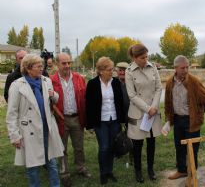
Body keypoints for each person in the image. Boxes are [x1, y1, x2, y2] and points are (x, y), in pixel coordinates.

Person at [164, 55, 205, 180]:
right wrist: (168, 120)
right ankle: (182, 170)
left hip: (192, 120)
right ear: (175, 68)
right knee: (179, 147)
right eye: (183, 68)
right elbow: (167, 103)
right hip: (178, 120)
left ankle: (193, 173)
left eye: (187, 67)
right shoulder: (169, 83)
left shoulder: (193, 81)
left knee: (193, 149)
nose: (186, 70)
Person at [6, 54, 64, 187]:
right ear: (28, 68)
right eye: (38, 66)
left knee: (52, 163)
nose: (42, 69)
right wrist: (14, 136)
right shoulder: (17, 86)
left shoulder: (46, 81)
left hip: (47, 128)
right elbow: (11, 113)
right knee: (33, 167)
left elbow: (54, 99)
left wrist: (53, 95)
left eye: (42, 66)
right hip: (29, 131)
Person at [50, 53, 91, 187]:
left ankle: (80, 168)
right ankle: (64, 173)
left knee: (79, 147)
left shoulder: (79, 78)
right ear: (57, 64)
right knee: (62, 149)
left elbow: (84, 98)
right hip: (60, 119)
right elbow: (50, 102)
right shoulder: (51, 80)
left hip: (76, 118)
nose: (67, 66)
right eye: (64, 63)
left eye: (69, 62)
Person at [125, 44, 162, 183]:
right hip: (138, 113)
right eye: (142, 57)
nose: (145, 60)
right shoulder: (129, 71)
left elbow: (159, 88)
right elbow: (132, 95)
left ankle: (150, 169)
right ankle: (138, 171)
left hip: (153, 111)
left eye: (147, 56)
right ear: (134, 58)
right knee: (137, 145)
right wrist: (147, 109)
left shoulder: (152, 68)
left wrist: (153, 107)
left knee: (151, 142)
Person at [86, 57, 125, 184]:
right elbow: (89, 105)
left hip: (114, 119)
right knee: (104, 147)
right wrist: (90, 125)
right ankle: (103, 173)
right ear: (101, 71)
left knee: (113, 146)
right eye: (109, 70)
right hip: (101, 121)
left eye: (112, 69)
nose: (112, 72)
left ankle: (110, 172)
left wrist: (122, 120)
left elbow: (120, 103)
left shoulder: (116, 82)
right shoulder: (92, 84)